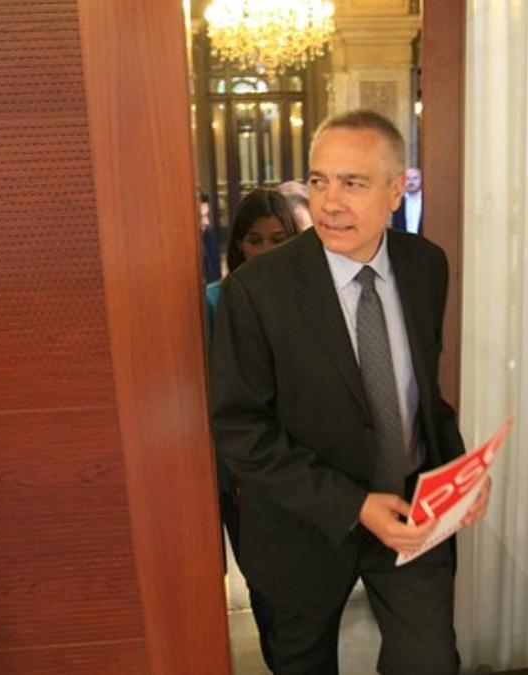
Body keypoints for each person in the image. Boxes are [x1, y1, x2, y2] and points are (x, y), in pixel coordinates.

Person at [210, 110, 491, 675]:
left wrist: (458, 476)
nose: (330, 202)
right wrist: (353, 505)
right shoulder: (257, 291)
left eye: (353, 183)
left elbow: (421, 397)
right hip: (304, 528)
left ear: (395, 191)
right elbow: (242, 430)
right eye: (319, 181)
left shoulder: (425, 266)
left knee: (431, 661)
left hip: (411, 513)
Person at [205, 187, 300, 672]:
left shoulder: (310, 298)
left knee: (305, 591)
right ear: (238, 244)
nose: (266, 250)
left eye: (279, 239)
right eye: (255, 240)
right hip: (243, 479)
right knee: (264, 587)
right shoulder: (216, 302)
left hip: (305, 467)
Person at [389, 167, 422, 235]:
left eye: (415, 178)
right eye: (408, 179)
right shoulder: (398, 202)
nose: (411, 182)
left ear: (421, 180)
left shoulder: (427, 202)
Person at [199, 191, 223, 283]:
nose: (206, 222)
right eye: (201, 217)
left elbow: (216, 278)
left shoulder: (210, 236)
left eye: (207, 215)